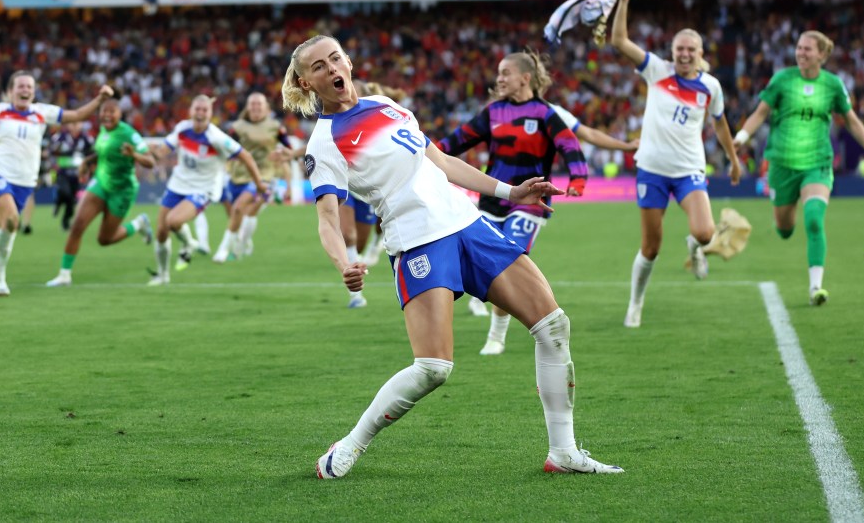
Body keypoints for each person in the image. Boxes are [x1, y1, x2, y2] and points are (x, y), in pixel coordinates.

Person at [282, 34, 623, 479]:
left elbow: (439, 160)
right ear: (307, 83)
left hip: (467, 224)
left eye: (335, 58)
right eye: (318, 67)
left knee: (553, 325)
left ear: (348, 61)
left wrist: (509, 191)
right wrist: (342, 261)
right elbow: (327, 216)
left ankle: (563, 452)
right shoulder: (324, 143)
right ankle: (347, 446)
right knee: (433, 368)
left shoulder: (387, 104)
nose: (331, 69)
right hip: (418, 242)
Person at [438, 49, 636, 353]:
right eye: (499, 72)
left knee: (506, 262)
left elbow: (570, 146)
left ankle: (496, 336)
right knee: (484, 264)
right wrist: (422, 155)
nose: (499, 78)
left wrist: (578, 178)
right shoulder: (493, 113)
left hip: (530, 202)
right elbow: (454, 142)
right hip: (493, 200)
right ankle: (491, 321)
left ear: (525, 78)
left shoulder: (545, 113)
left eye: (506, 73)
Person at [610, 0, 742, 328]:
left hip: (688, 170)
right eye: (680, 48)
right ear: (673, 50)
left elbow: (721, 125)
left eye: (691, 49)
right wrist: (624, 0)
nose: (684, 54)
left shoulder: (710, 86)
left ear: (700, 52)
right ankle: (636, 303)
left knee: (703, 232)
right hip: (652, 170)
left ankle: (696, 250)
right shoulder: (657, 70)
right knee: (651, 247)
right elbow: (619, 42)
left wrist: (733, 158)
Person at [733, 30, 864, 305]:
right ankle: (786, 212)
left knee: (813, 220)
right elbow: (760, 113)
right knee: (785, 230)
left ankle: (815, 288)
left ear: (822, 54)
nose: (801, 53)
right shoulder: (782, 80)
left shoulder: (832, 85)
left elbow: (852, 121)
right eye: (799, 48)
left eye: (808, 49)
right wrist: (739, 140)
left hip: (817, 164)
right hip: (782, 165)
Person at [0, 72, 114, 296]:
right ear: (10, 91)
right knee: (11, 220)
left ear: (34, 92)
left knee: (2, 230)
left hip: (25, 182)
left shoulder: (42, 112)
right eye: (20, 86)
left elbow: (76, 115)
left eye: (29, 86)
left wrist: (100, 99)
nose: (25, 90)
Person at [148, 94, 265, 286]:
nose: (200, 113)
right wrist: (152, 151)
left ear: (210, 114)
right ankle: (162, 275)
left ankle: (189, 243)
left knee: (173, 221)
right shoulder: (182, 128)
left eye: (205, 110)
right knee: (161, 231)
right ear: (191, 111)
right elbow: (162, 151)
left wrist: (259, 183)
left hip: (203, 188)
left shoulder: (216, 137)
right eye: (197, 109)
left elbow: (246, 156)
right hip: (177, 184)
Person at [46, 98, 157, 287]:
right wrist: (86, 162)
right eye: (104, 111)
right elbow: (103, 153)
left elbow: (151, 162)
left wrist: (134, 155)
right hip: (100, 184)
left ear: (120, 114)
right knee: (77, 226)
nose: (106, 115)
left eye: (111, 111)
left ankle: (139, 224)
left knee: (104, 239)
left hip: (122, 191)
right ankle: (65, 275)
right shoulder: (103, 131)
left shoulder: (129, 134)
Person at [212, 92, 294, 264]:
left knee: (240, 209)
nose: (256, 107)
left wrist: (283, 158)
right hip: (238, 176)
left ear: (266, 108)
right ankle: (244, 241)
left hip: (264, 177)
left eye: (259, 104)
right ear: (247, 107)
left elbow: (289, 150)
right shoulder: (237, 127)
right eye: (252, 104)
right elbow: (227, 149)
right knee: (236, 214)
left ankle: (224, 250)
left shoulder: (275, 126)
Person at [48, 122, 94, 231]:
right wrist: (54, 163)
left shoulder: (86, 138)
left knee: (72, 200)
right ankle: (58, 202)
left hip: (78, 175)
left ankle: (66, 220)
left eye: (77, 124)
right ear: (68, 125)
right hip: (62, 173)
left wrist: (88, 166)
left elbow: (93, 152)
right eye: (72, 124)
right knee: (65, 192)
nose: (75, 126)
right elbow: (52, 150)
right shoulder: (61, 137)